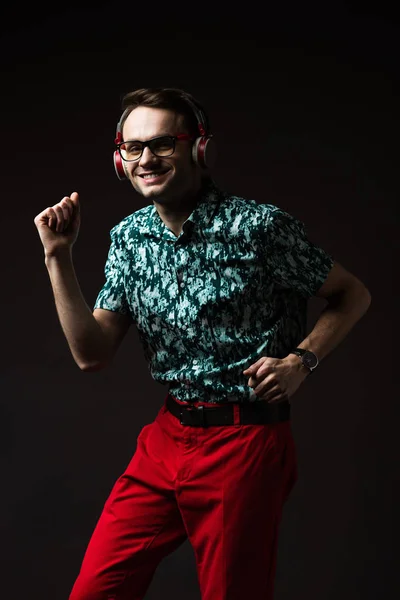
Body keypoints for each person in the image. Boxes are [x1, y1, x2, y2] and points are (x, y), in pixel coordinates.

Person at [34, 87, 371, 600]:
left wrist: (302, 360)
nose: (147, 158)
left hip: (244, 442)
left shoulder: (259, 227)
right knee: (96, 591)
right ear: (119, 161)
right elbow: (92, 353)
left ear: (200, 149)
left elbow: (352, 294)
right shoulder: (128, 238)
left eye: (164, 143)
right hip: (167, 438)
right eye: (133, 147)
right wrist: (58, 256)